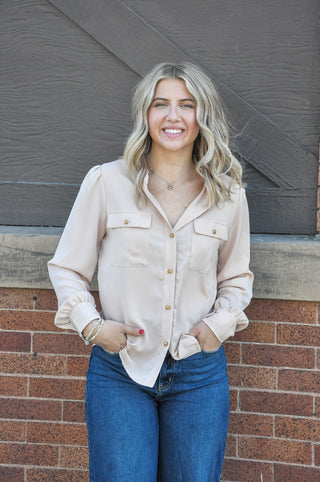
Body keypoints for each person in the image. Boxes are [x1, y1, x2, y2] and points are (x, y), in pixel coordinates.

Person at [48, 62, 253, 482]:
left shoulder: (229, 194)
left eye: (186, 105)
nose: (173, 116)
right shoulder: (107, 182)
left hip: (197, 372)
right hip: (119, 370)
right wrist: (91, 327)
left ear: (202, 117)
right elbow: (67, 266)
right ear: (146, 114)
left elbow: (236, 279)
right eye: (161, 104)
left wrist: (219, 324)